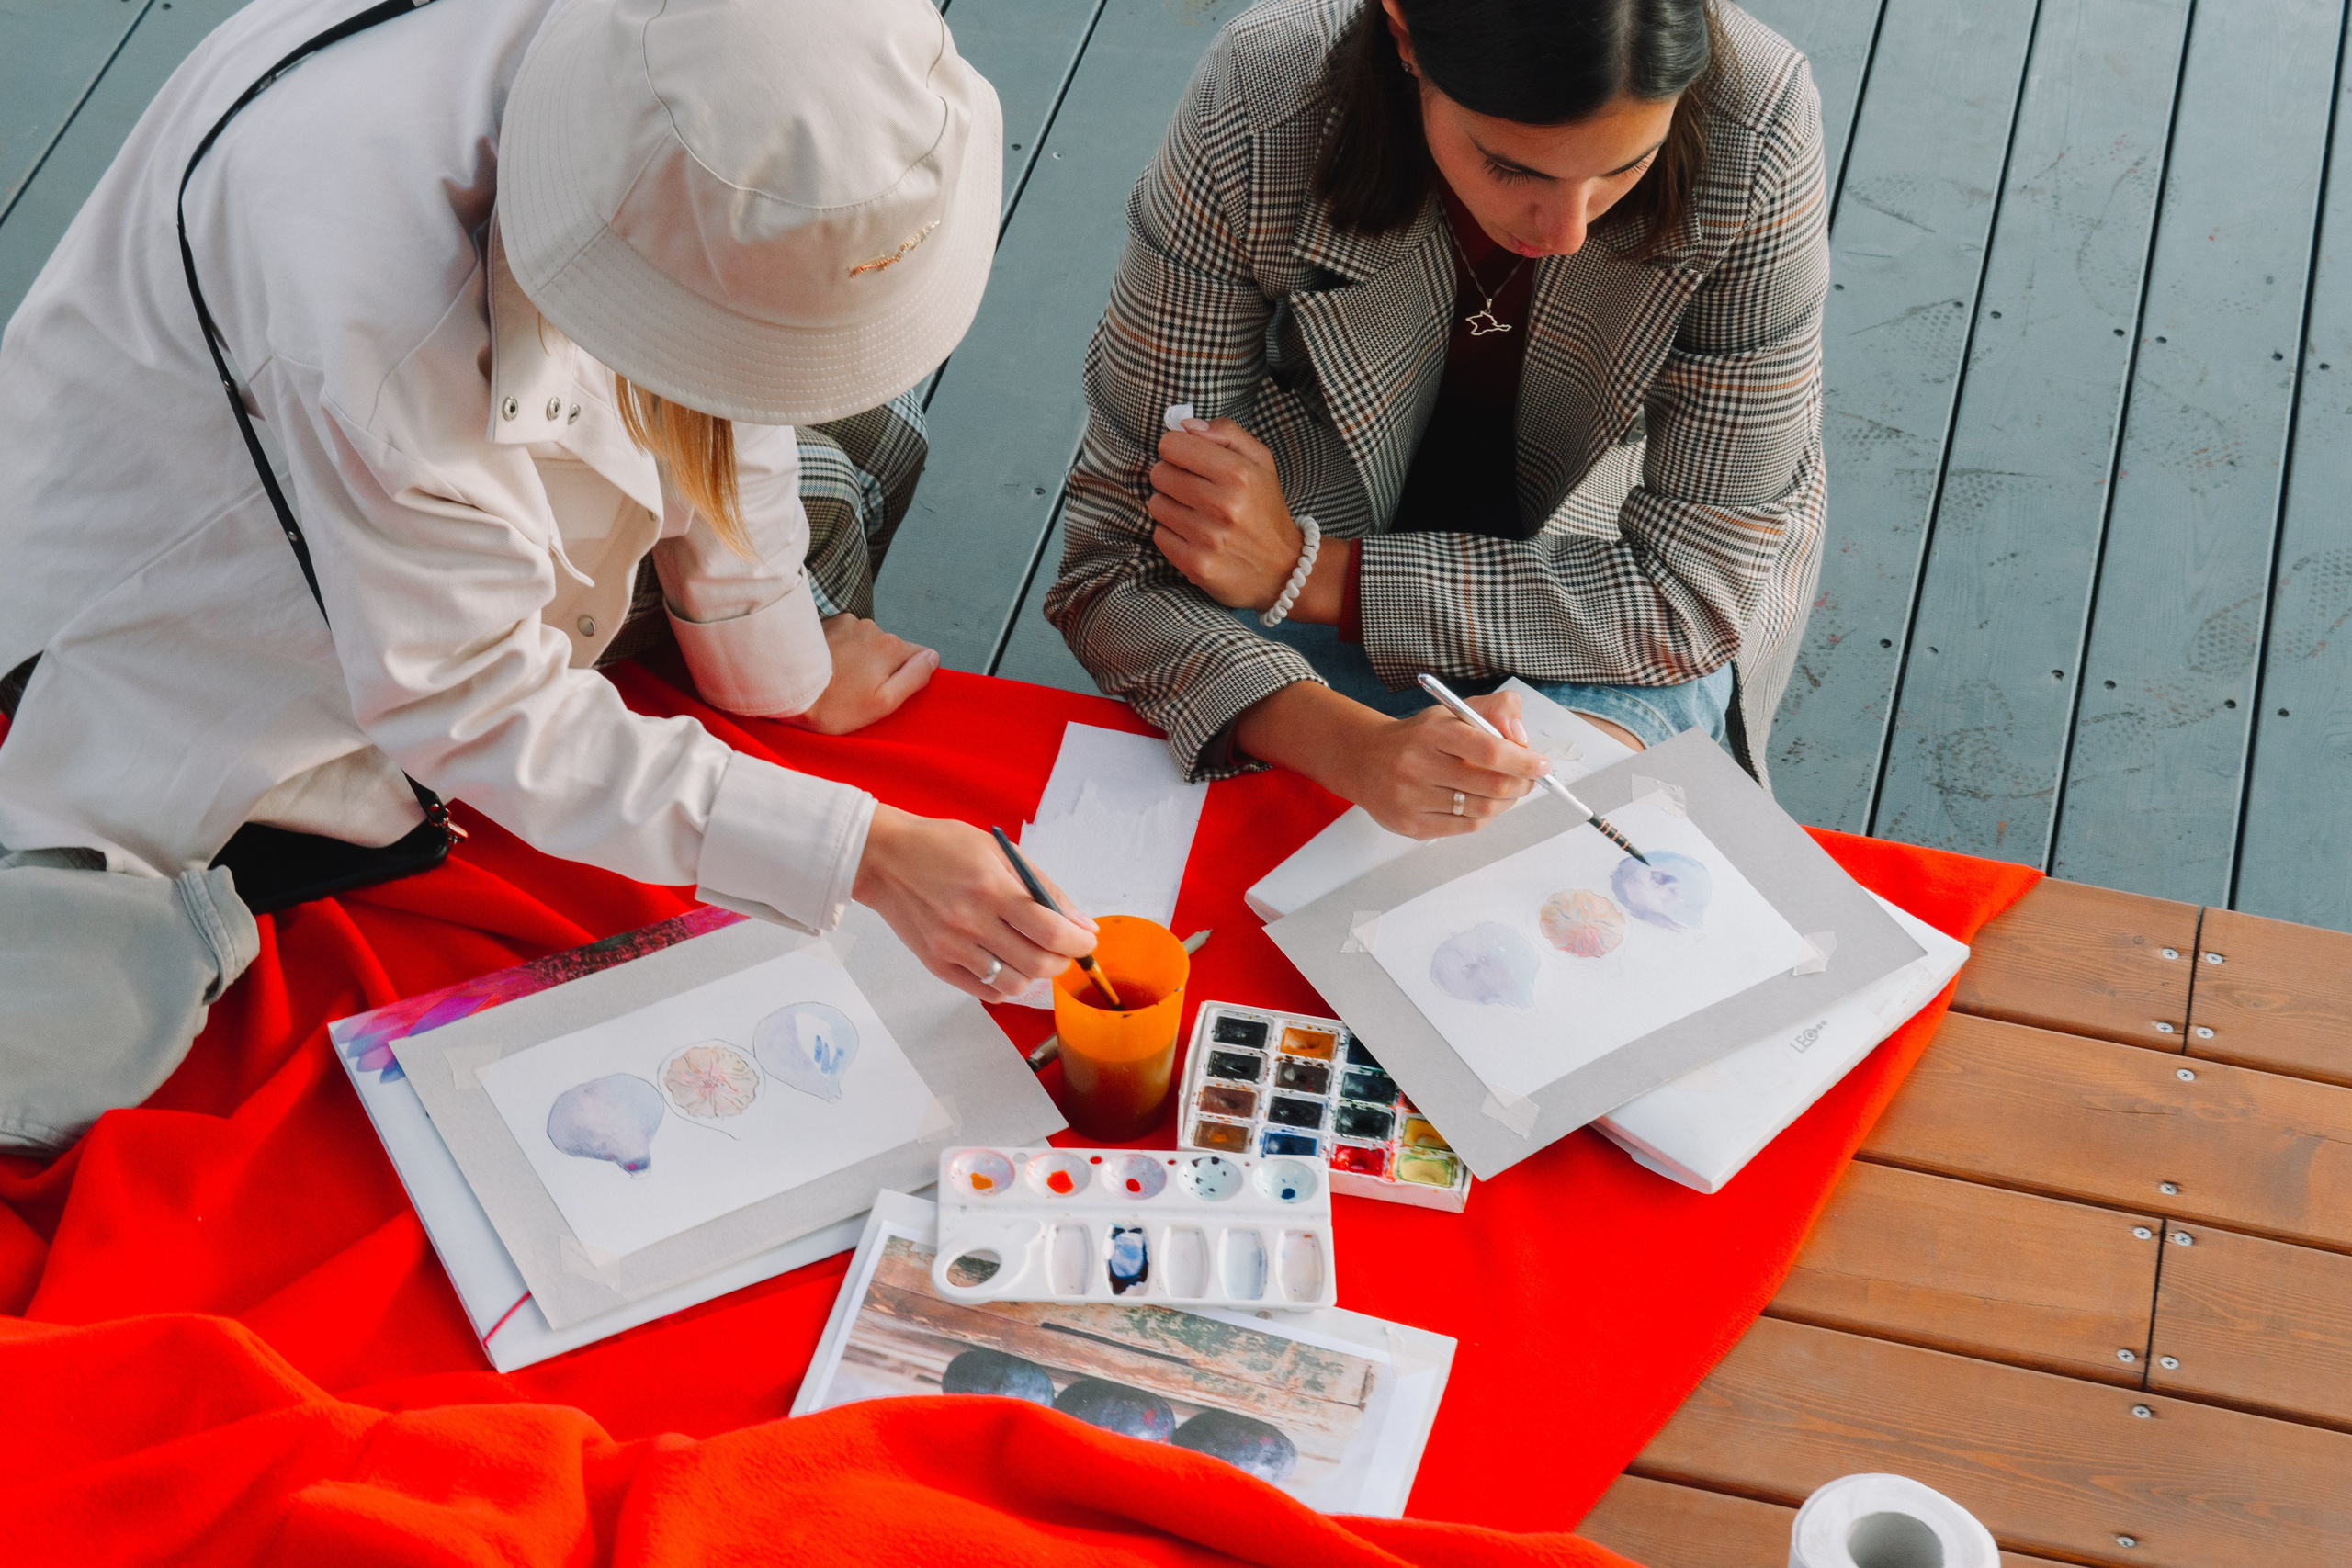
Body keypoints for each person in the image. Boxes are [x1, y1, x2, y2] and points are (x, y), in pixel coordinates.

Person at [0, 0, 1093, 1151]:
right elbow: (468, 696)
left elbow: (735, 364)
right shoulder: (369, 310)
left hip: (406, 507)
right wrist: (860, 853)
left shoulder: (678, 80)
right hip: (197, 623)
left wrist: (777, 660)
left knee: (856, 448)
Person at [1047, 0, 1828, 838]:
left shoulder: (1759, 122)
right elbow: (1116, 560)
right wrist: (1348, 747)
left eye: (1626, 166)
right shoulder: (1262, 100)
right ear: (1405, 34)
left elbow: (1692, 594)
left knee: (1545, 860)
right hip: (1284, 562)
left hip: (1608, 596)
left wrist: (1312, 575)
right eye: (1513, 168)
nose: (1569, 230)